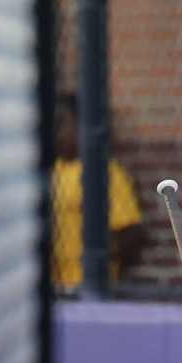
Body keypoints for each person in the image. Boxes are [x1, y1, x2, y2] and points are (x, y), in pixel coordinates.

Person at [50, 92, 144, 292]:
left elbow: (129, 231)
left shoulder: (104, 172)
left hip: (84, 286)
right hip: (52, 288)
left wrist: (105, 269)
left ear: (80, 124)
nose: (54, 130)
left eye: (60, 122)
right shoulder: (49, 172)